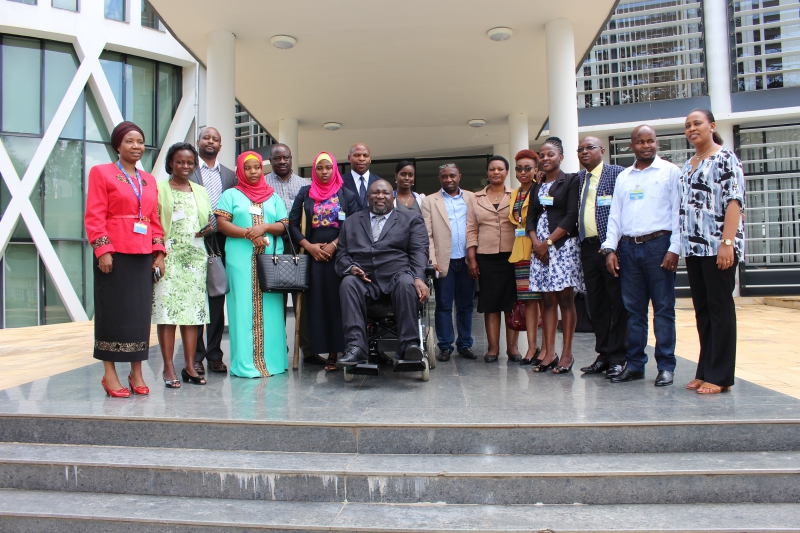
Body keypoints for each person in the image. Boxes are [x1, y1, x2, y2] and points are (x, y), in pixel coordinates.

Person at [85, 121, 166, 398]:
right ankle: (109, 375)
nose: (136, 146)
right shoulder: (102, 173)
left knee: (138, 316)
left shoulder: (149, 180)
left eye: (140, 141)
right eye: (130, 141)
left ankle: (137, 372)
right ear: (118, 145)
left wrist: (159, 254)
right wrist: (102, 249)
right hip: (114, 254)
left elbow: (154, 219)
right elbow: (94, 215)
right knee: (112, 314)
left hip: (143, 255)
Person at [603, 125, 681, 387]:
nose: (646, 146)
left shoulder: (670, 172)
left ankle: (666, 366)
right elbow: (615, 215)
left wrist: (674, 248)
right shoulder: (624, 177)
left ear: (656, 143)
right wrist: (611, 248)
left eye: (650, 141)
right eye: (640, 142)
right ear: (632, 145)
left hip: (659, 246)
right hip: (628, 248)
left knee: (663, 310)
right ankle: (635, 365)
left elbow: (678, 213)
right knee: (634, 311)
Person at [680, 109, 745, 394]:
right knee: (703, 311)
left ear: (711, 126)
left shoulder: (725, 157)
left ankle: (720, 376)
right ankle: (705, 369)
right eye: (688, 125)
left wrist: (727, 243)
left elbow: (734, 201)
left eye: (697, 123)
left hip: (718, 246)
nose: (692, 128)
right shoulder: (689, 163)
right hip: (694, 248)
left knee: (720, 310)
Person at [335, 179, 430, 365]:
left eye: (385, 193)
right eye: (375, 193)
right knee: (348, 282)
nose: (380, 196)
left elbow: (419, 251)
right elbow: (341, 256)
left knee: (406, 281)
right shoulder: (352, 221)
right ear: (368, 197)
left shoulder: (411, 220)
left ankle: (409, 344)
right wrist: (351, 268)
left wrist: (419, 277)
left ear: (392, 196)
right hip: (364, 280)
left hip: (397, 277)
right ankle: (356, 347)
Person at [214, 151, 289, 378]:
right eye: (248, 168)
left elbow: (284, 225)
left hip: (270, 263)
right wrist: (249, 233)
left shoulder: (273, 196)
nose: (253, 172)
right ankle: (246, 364)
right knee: (243, 309)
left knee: (272, 311)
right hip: (240, 261)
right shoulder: (231, 195)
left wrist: (263, 228)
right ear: (240, 171)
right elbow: (222, 225)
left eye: (257, 167)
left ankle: (273, 363)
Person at [289, 152, 360, 371]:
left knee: (337, 304)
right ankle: (314, 350)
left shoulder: (346, 194)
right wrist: (309, 247)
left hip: (339, 257)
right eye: (319, 168)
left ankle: (334, 353)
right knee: (316, 304)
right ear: (314, 170)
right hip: (313, 258)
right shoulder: (305, 193)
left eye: (328, 167)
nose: (324, 172)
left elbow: (356, 224)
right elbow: (291, 224)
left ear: (335, 169)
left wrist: (335, 244)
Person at [154, 143, 213, 387]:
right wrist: (157, 256)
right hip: (168, 257)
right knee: (167, 314)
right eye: (180, 162)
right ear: (170, 163)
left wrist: (209, 228)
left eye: (190, 162)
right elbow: (154, 223)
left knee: (192, 315)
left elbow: (207, 219)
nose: (185, 166)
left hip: (195, 258)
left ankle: (190, 366)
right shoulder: (159, 189)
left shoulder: (200, 190)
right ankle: (168, 367)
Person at [526, 137, 583, 374]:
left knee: (565, 300)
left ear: (561, 157)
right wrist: (537, 244)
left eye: (550, 154)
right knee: (547, 302)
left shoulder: (571, 180)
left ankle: (567, 354)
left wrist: (548, 243)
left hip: (561, 248)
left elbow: (571, 216)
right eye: (542, 155)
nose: (545, 158)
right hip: (540, 251)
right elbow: (530, 217)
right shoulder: (537, 184)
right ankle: (549, 353)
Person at [575, 136, 629, 378]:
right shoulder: (578, 179)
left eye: (590, 148)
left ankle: (619, 357)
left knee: (617, 304)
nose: (584, 152)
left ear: (602, 151)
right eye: (581, 149)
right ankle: (604, 354)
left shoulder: (618, 173)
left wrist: (614, 248)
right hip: (587, 249)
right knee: (595, 305)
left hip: (611, 250)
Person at [189, 127, 237, 376]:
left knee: (217, 300)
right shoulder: (188, 168)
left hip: (222, 242)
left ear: (221, 145)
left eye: (215, 139)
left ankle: (214, 354)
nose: (210, 141)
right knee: (197, 299)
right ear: (198, 142)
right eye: (206, 137)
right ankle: (195, 357)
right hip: (194, 241)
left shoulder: (230, 175)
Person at [466, 155, 522, 363]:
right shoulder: (476, 198)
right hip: (486, 256)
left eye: (500, 169)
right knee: (490, 303)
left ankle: (513, 348)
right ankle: (492, 348)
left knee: (510, 302)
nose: (496, 172)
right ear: (487, 173)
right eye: (492, 169)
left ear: (507, 172)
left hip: (512, 255)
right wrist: (471, 257)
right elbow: (471, 228)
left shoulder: (516, 194)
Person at [264, 143, 314, 365]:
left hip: (301, 244)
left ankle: (307, 349)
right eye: (277, 159)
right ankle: (277, 347)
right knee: (276, 298)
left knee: (302, 297)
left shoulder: (306, 184)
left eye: (285, 158)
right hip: (274, 244)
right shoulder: (263, 183)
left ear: (291, 159)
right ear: (271, 161)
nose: (281, 162)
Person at [422, 163, 477, 362]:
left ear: (459, 176)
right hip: (443, 261)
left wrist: (474, 257)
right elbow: (427, 234)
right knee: (443, 305)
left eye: (452, 176)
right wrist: (432, 261)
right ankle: (444, 346)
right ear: (440, 179)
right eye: (444, 177)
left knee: (465, 305)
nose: (449, 180)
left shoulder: (472, 197)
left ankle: (465, 345)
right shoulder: (429, 201)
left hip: (467, 260)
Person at [509, 150, 545, 365]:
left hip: (540, 250)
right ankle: (531, 347)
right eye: (519, 169)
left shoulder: (541, 189)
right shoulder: (514, 193)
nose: (523, 172)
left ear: (535, 170)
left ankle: (547, 348)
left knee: (546, 301)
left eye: (528, 168)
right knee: (529, 301)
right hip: (520, 251)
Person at [342, 143, 381, 211]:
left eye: (365, 155)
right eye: (357, 155)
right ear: (349, 158)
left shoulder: (379, 182)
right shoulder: (340, 182)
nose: (361, 159)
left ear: (370, 159)